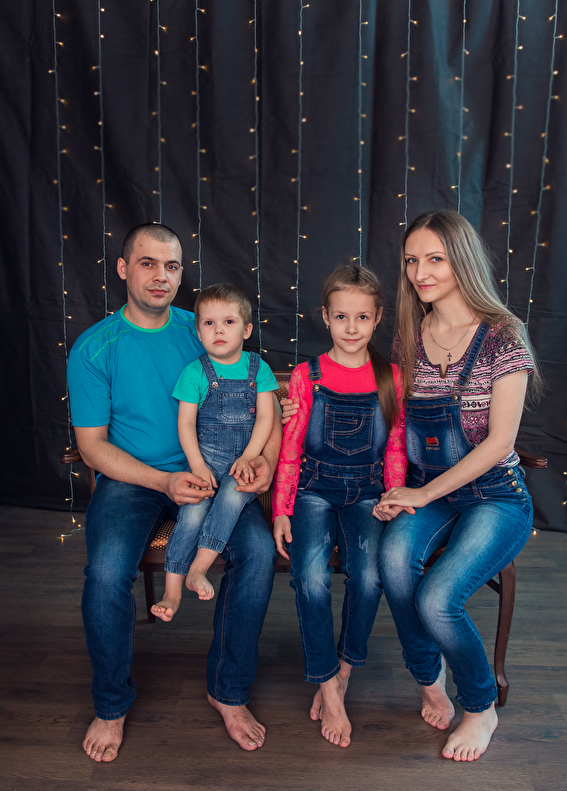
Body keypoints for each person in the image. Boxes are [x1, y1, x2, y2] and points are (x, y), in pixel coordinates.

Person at [67, 224, 281, 762]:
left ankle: (228, 690)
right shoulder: (95, 347)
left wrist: (265, 460)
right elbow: (91, 446)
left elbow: (265, 407)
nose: (161, 275)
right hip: (134, 482)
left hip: (215, 477)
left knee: (258, 554)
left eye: (172, 266)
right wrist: (162, 480)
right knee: (107, 572)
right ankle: (111, 704)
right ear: (123, 269)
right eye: (148, 263)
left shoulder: (206, 326)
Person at [373, 210, 542, 762]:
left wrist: (421, 495)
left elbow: (499, 442)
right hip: (430, 488)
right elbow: (397, 422)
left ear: (462, 260)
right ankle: (429, 678)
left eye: (435, 259)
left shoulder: (502, 335)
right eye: (412, 261)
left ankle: (480, 705)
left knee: (439, 598)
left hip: (496, 496)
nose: (420, 272)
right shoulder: (411, 335)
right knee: (393, 561)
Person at [273, 265, 407, 749]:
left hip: (369, 491)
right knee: (310, 578)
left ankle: (345, 668)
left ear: (378, 319)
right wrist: (282, 508)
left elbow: (395, 445)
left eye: (363, 317)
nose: (352, 328)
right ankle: (327, 684)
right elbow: (291, 448)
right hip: (313, 488)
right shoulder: (306, 376)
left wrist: (393, 494)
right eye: (342, 317)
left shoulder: (391, 377)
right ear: (326, 317)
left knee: (368, 578)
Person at [150, 284, 278, 620]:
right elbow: (185, 424)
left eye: (228, 322)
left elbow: (266, 418)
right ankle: (172, 591)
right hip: (204, 464)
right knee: (192, 514)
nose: (218, 330)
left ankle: (199, 569)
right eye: (209, 323)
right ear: (198, 332)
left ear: (246, 330)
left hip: (240, 467)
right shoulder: (195, 372)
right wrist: (196, 465)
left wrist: (249, 456)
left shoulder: (258, 369)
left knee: (233, 496)